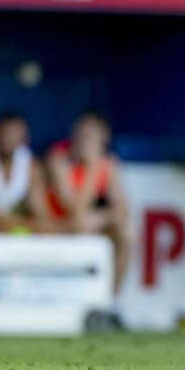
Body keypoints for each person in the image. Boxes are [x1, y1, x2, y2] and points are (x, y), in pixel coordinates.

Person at [46, 112, 131, 295]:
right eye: (82, 132)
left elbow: (123, 209)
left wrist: (99, 219)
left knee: (127, 234)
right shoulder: (59, 158)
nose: (85, 139)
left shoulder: (109, 163)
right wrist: (92, 168)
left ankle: (109, 301)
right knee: (80, 225)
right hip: (55, 225)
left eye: (92, 134)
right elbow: (73, 211)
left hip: (88, 224)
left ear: (104, 138)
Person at [0, 112, 49, 233]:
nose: (9, 138)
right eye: (6, 132)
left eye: (15, 133)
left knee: (44, 226)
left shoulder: (31, 163)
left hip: (13, 220)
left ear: (25, 137)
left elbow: (38, 207)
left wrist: (45, 225)